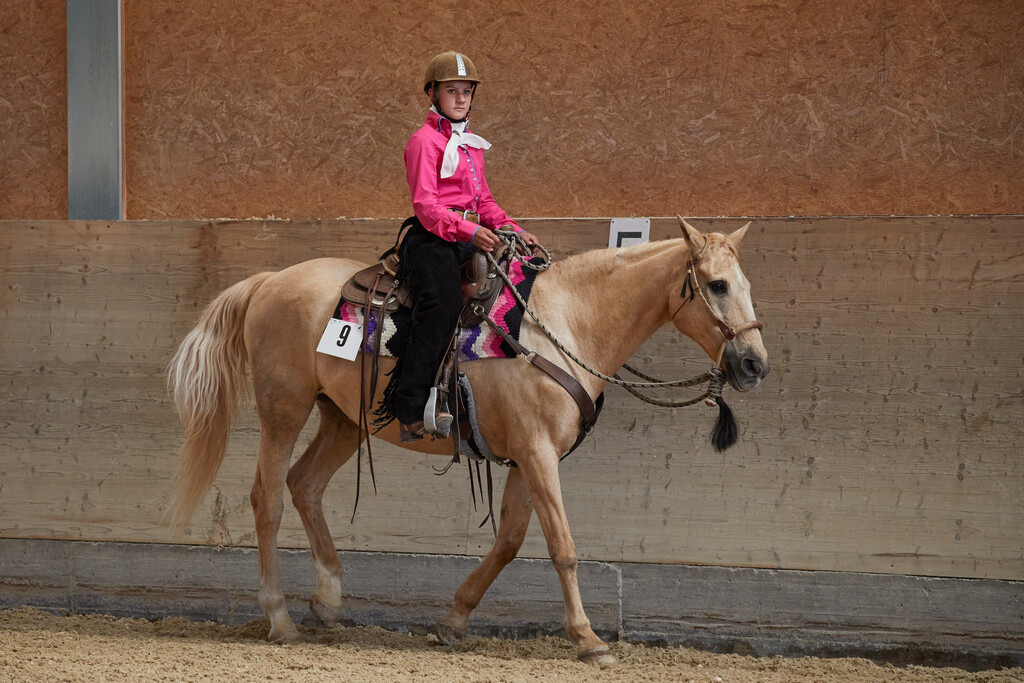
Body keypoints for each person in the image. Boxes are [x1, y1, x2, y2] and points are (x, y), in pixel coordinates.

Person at [393, 50, 538, 442]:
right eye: (451, 91)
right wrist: (468, 232)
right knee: (441, 303)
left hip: (469, 235)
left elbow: (484, 202)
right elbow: (426, 205)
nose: (460, 98)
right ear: (433, 95)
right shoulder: (423, 142)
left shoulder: (471, 144)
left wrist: (512, 228)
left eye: (466, 91)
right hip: (434, 238)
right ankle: (409, 407)